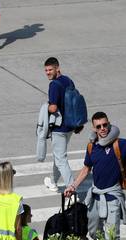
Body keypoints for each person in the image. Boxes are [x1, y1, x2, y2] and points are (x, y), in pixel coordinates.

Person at [64, 112, 126, 240]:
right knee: (93, 232)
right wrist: (73, 186)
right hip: (95, 196)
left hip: (113, 196)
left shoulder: (118, 144)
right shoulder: (92, 146)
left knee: (112, 235)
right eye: (98, 126)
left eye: (104, 125)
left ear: (109, 124)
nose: (102, 128)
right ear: (94, 129)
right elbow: (86, 169)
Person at [43, 57, 81, 192]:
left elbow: (53, 108)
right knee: (58, 155)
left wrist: (45, 108)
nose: (48, 72)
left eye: (50, 69)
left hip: (59, 128)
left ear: (57, 68)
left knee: (61, 158)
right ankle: (53, 181)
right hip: (70, 125)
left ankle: (72, 188)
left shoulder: (54, 85)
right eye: (46, 70)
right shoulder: (68, 80)